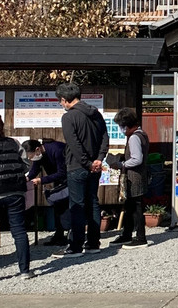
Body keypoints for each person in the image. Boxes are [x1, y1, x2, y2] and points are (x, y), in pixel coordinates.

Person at [54, 82, 109, 258]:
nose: (61, 104)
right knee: (93, 202)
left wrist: (87, 163)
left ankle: (76, 246)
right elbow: (105, 138)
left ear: (65, 99)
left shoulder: (69, 117)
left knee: (77, 205)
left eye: (60, 101)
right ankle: (93, 243)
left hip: (77, 166)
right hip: (95, 165)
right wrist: (99, 159)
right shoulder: (95, 113)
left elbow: (74, 144)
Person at [0, 111, 34, 280]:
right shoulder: (13, 142)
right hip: (15, 191)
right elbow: (26, 164)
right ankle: (25, 271)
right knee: (19, 231)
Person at [105, 107, 150, 248]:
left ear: (127, 125)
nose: (121, 129)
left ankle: (141, 237)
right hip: (139, 175)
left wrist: (121, 164)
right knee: (130, 206)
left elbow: (137, 159)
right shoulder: (142, 134)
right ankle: (127, 234)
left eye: (121, 126)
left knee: (136, 206)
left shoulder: (134, 137)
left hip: (134, 176)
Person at [22, 138, 70, 246]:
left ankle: (69, 235)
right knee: (57, 206)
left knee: (65, 207)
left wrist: (42, 180)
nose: (30, 158)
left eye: (30, 156)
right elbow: (35, 170)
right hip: (58, 180)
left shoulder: (56, 149)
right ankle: (59, 234)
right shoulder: (39, 155)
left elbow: (62, 173)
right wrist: (27, 178)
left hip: (68, 179)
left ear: (37, 149)